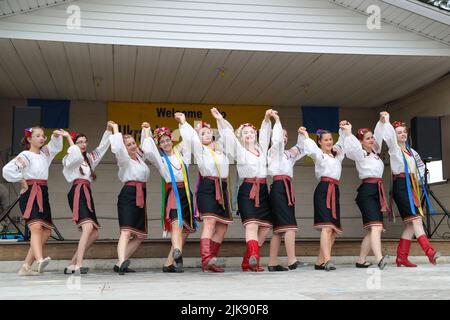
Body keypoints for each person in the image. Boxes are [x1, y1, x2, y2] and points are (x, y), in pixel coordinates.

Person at [215, 108, 273, 272]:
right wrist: (220, 120)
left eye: (251, 132)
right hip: (247, 190)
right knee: (252, 226)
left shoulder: (261, 149)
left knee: (266, 227)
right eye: (245, 132)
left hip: (262, 190)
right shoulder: (240, 151)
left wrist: (266, 118)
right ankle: (254, 258)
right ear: (241, 136)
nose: (248, 134)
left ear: (255, 134)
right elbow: (229, 137)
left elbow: (266, 134)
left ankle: (248, 260)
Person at [381, 111, 441, 267]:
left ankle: (401, 257)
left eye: (404, 132)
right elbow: (388, 137)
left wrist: (418, 179)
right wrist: (386, 121)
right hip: (401, 186)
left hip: (411, 186)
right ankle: (429, 252)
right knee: (416, 220)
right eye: (399, 132)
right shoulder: (394, 149)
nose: (402, 134)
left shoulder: (412, 152)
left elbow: (420, 167)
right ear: (395, 136)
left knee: (410, 224)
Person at [2, 126, 63, 275]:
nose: (42, 138)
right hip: (30, 192)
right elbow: (7, 170)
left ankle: (26, 267)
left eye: (43, 136)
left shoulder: (44, 154)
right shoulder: (25, 155)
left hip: (43, 192)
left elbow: (56, 147)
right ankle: (40, 259)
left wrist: (55, 136)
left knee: (46, 231)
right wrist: (20, 178)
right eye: (38, 136)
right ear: (29, 139)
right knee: (35, 228)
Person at [141, 113, 196, 273]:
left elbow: (189, 141)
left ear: (172, 140)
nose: (165, 143)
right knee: (176, 225)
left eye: (167, 140)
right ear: (159, 145)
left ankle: (169, 262)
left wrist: (183, 122)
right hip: (173, 192)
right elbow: (148, 150)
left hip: (185, 192)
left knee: (186, 229)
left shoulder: (182, 155)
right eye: (162, 142)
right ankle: (177, 250)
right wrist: (146, 132)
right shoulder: (161, 160)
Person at [180, 110, 232, 272]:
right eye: (203, 133)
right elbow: (191, 138)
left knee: (223, 227)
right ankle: (206, 258)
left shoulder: (221, 149)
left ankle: (211, 260)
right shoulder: (201, 151)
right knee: (209, 224)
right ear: (199, 138)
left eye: (210, 132)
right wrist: (183, 122)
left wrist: (219, 119)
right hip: (208, 188)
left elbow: (228, 134)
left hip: (223, 189)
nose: (208, 134)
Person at [61, 122, 113, 275]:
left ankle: (72, 263)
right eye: (79, 142)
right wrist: (68, 140)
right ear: (74, 144)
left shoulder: (89, 158)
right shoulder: (67, 159)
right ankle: (79, 264)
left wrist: (108, 131)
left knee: (94, 233)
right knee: (88, 227)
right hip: (77, 191)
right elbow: (75, 156)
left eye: (84, 142)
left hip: (86, 192)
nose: (83, 144)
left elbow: (102, 148)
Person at [298, 122, 347, 271]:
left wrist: (342, 129)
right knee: (326, 228)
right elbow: (311, 148)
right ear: (319, 141)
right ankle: (327, 260)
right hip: (323, 190)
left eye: (330, 139)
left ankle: (320, 261)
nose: (329, 142)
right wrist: (306, 135)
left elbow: (342, 142)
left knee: (333, 231)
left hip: (334, 190)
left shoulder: (337, 156)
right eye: (325, 140)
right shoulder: (319, 155)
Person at [343, 120, 388, 270]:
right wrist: (349, 132)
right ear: (361, 141)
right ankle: (380, 258)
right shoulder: (360, 153)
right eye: (367, 138)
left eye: (371, 137)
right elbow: (354, 148)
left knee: (375, 228)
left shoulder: (374, 154)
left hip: (377, 190)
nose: (371, 140)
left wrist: (382, 123)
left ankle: (361, 260)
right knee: (375, 227)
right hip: (367, 191)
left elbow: (379, 137)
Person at [266, 112, 307, 271]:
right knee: (289, 226)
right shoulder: (272, 151)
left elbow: (300, 149)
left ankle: (272, 262)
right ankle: (292, 260)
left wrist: (301, 135)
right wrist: (277, 120)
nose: (283, 137)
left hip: (286, 188)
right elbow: (277, 142)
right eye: (281, 134)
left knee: (278, 229)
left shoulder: (288, 154)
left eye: (286, 135)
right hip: (279, 187)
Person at [110, 122, 150, 275]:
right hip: (128, 194)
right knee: (126, 232)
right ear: (124, 148)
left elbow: (146, 146)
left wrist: (145, 129)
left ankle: (120, 262)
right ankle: (121, 262)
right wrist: (115, 130)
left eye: (133, 143)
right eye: (128, 145)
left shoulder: (139, 159)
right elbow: (118, 149)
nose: (132, 146)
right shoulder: (124, 160)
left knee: (140, 235)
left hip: (141, 194)